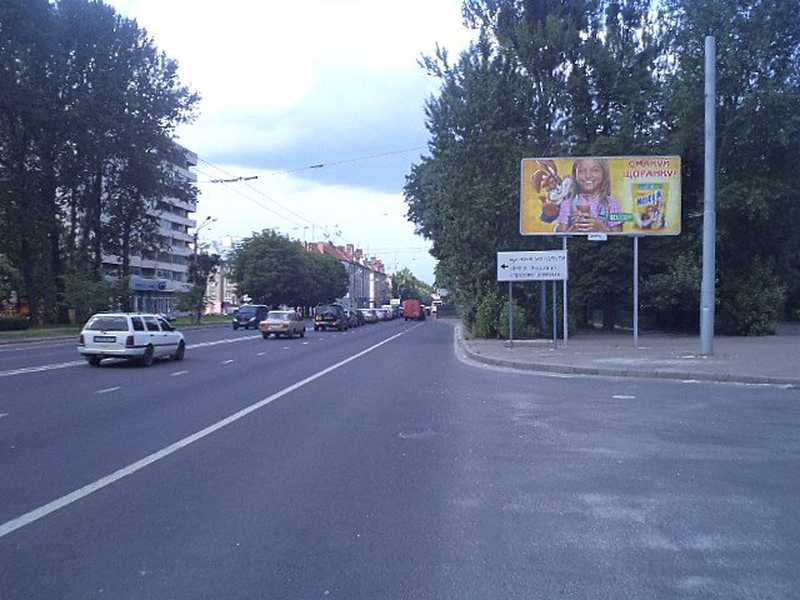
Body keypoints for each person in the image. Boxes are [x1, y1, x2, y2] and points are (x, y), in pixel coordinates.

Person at [558, 158, 623, 233]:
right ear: (575, 175)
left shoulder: (612, 204)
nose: (588, 176)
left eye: (595, 170)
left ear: (604, 174)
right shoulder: (567, 205)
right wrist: (576, 227)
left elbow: (618, 237)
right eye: (582, 171)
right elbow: (563, 237)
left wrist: (599, 228)